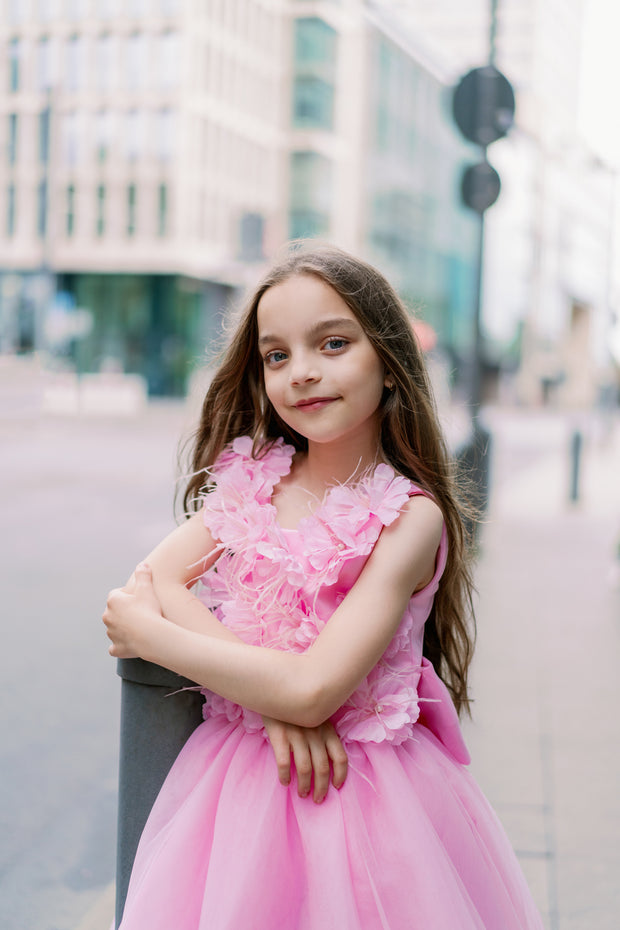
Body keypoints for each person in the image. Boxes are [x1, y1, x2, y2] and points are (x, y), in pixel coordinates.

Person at [103, 244, 544, 929]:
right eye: (277, 355)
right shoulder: (255, 478)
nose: (302, 372)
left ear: (388, 360)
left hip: (362, 801)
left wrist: (154, 635)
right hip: (234, 800)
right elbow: (157, 576)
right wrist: (270, 708)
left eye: (332, 343)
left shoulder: (408, 518)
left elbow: (314, 690)